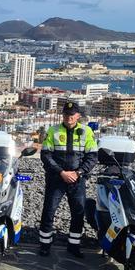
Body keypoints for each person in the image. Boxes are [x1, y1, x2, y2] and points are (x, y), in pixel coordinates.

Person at [38, 102, 98, 258]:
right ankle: (45, 245)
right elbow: (46, 155)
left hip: (77, 180)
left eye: (72, 114)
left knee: (78, 212)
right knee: (49, 211)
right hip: (56, 178)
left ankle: (74, 245)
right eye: (66, 114)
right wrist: (61, 172)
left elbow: (92, 157)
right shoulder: (53, 131)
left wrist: (78, 173)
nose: (68, 117)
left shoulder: (87, 131)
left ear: (78, 116)